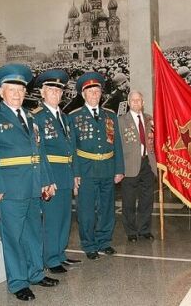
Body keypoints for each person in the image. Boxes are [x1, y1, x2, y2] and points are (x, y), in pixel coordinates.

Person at [0, 64, 59, 301]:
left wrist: (46, 181)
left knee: (33, 234)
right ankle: (18, 282)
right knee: (13, 238)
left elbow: (40, 151)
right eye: (12, 90)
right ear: (1, 93)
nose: (17, 94)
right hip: (10, 189)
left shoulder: (30, 116)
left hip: (33, 186)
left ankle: (35, 273)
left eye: (21, 90)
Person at [69, 72, 125, 260]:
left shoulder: (109, 115)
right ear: (83, 95)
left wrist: (119, 169)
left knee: (107, 208)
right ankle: (89, 244)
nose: (95, 95)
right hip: (86, 169)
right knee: (86, 210)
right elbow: (72, 148)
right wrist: (75, 173)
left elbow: (117, 144)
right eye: (90, 92)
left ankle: (104, 241)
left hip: (108, 168)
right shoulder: (74, 117)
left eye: (97, 91)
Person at [32, 69, 81, 274]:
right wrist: (46, 179)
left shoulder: (65, 117)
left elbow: (73, 147)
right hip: (51, 173)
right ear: (42, 93)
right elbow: (39, 150)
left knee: (64, 217)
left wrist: (76, 174)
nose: (56, 94)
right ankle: (50, 259)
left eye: (59, 91)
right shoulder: (37, 117)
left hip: (66, 173)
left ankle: (60, 253)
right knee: (51, 219)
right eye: (51, 90)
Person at [118, 90, 156, 242]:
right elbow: (118, 147)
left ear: (143, 103)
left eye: (138, 100)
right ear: (128, 103)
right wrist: (119, 168)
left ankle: (145, 229)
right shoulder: (121, 121)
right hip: (129, 165)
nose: (135, 103)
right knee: (128, 201)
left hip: (147, 163)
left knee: (147, 199)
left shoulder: (149, 119)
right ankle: (131, 232)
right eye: (133, 100)